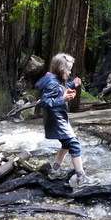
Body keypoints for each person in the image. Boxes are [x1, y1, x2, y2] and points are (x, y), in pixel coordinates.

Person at [35, 53, 97, 187]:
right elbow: (45, 102)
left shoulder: (55, 79)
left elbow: (60, 89)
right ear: (61, 69)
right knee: (74, 144)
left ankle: (54, 170)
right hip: (56, 119)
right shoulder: (52, 82)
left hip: (59, 117)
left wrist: (72, 85)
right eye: (68, 70)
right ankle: (81, 176)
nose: (69, 72)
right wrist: (63, 99)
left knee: (66, 144)